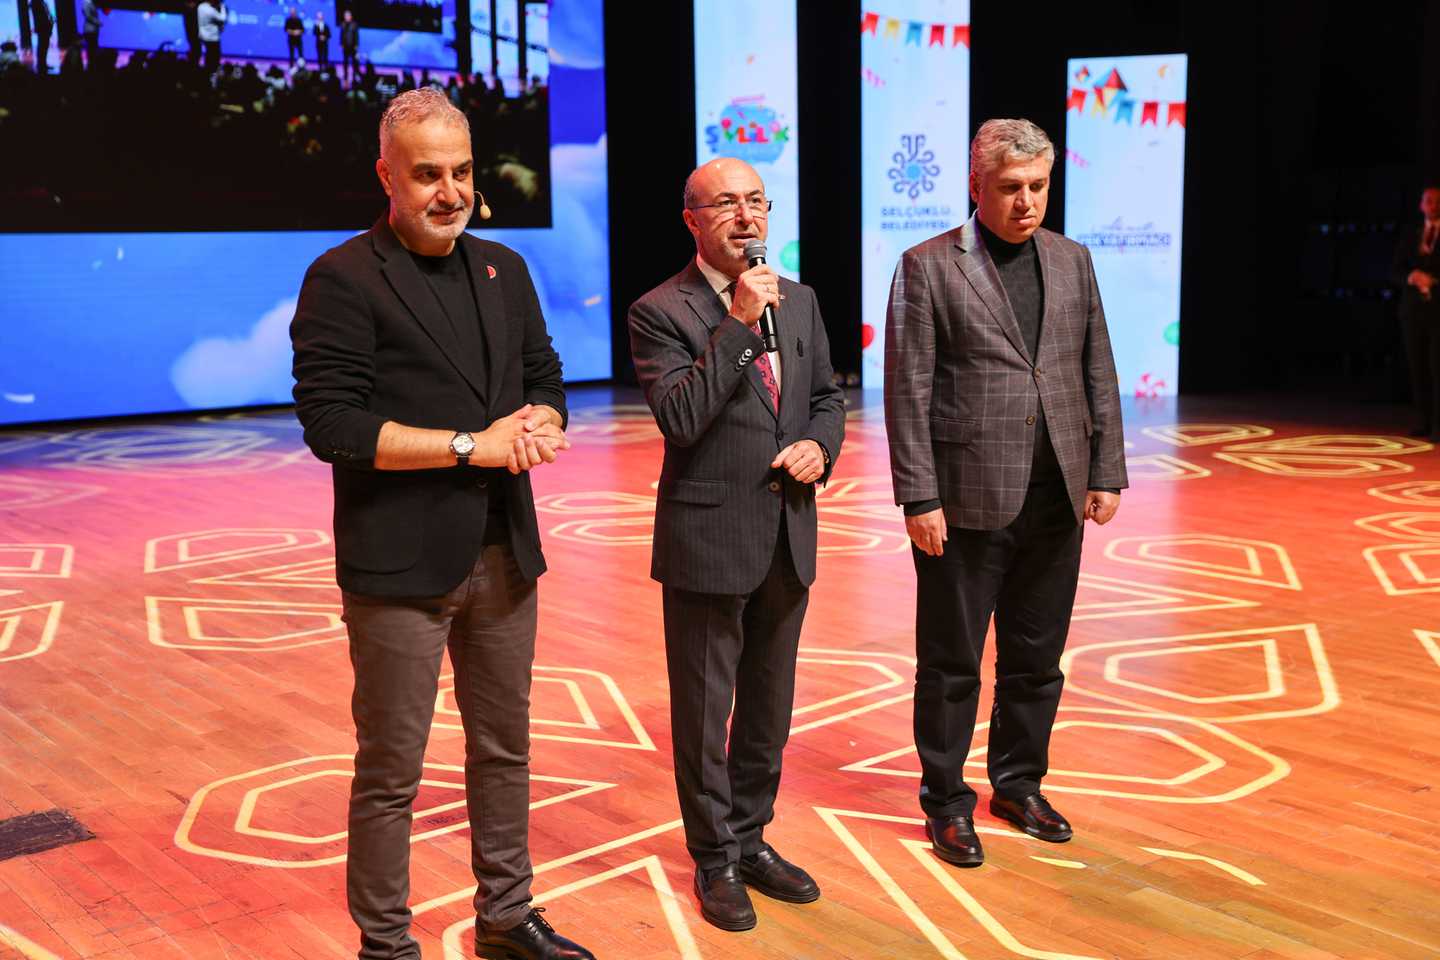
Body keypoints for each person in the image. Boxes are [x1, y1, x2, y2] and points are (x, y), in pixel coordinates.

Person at [289, 87, 593, 960]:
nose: (450, 192)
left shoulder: (505, 268)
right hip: (398, 567)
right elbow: (333, 427)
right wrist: (473, 446)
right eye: (428, 174)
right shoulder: (343, 276)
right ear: (387, 176)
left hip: (504, 552)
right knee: (392, 772)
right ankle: (386, 945)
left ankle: (506, 917)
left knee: (506, 750)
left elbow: (545, 374)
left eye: (461, 172)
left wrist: (542, 422)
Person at [884, 118, 1127, 868]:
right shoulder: (927, 266)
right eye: (1011, 187)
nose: (1027, 202)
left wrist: (1106, 470)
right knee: (951, 663)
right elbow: (907, 390)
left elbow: (1097, 368)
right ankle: (946, 801)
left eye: (1038, 186)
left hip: (1057, 496)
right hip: (963, 502)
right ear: (976, 186)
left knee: (1037, 660)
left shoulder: (1073, 259)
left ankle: (1019, 786)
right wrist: (918, 497)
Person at [627, 157, 845, 933]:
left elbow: (826, 397)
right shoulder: (660, 310)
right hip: (709, 538)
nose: (746, 217)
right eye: (726, 204)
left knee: (767, 709)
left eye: (756, 201)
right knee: (704, 713)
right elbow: (682, 418)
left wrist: (821, 446)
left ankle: (751, 839)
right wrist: (740, 325)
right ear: (692, 220)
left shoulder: (801, 299)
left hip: (788, 532)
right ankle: (714, 858)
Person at [1392, 185, 1440, 439]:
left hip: (1438, 309)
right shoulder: (1411, 234)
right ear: (1421, 205)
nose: (1433, 205)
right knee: (1417, 366)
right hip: (1413, 311)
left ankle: (1438, 425)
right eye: (1428, 201)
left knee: (1436, 367)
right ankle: (1424, 421)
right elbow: (1395, 270)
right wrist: (1412, 276)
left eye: (1437, 201)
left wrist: (1433, 281)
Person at [196, 0, 225, 73]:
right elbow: (222, 18)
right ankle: (211, 71)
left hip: (203, 35)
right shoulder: (210, 10)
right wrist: (222, 6)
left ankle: (207, 70)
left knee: (208, 54)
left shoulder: (201, 6)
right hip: (212, 38)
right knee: (214, 57)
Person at [29, 0, 53, 75]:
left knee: (45, 46)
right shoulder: (35, 2)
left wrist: (50, 21)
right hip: (42, 27)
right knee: (42, 46)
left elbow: (46, 13)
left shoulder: (42, 2)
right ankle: (41, 64)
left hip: (45, 26)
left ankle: (43, 64)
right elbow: (39, 17)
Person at [340, 8, 359, 85]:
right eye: (345, 16)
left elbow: (356, 36)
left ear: (351, 16)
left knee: (354, 63)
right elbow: (341, 35)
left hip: (353, 46)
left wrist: (356, 45)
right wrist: (341, 43)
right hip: (345, 47)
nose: (347, 17)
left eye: (348, 15)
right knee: (345, 62)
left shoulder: (354, 24)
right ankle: (345, 77)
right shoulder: (343, 24)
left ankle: (354, 76)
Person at [80, 0, 101, 67]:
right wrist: (97, 22)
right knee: (91, 49)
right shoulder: (86, 3)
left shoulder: (92, 3)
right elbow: (88, 16)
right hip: (89, 30)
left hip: (94, 30)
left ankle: (93, 64)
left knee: (94, 48)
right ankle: (91, 65)